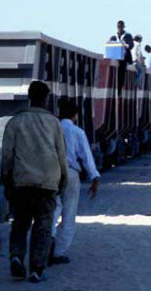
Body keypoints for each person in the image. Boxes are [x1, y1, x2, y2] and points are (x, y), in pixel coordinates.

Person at [1, 81, 68, 283]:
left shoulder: (15, 121)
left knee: (20, 223)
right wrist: (63, 178)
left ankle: (16, 256)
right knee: (43, 225)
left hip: (22, 181)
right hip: (47, 181)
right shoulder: (54, 123)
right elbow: (61, 155)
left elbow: (7, 155)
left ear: (29, 97)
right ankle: (37, 269)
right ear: (46, 99)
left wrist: (6, 179)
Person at [50, 101, 100, 265]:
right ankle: (58, 252)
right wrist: (94, 178)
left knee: (52, 210)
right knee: (69, 214)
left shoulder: (51, 129)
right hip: (71, 174)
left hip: (51, 173)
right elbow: (86, 157)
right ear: (75, 115)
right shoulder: (77, 132)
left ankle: (46, 243)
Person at [109, 20, 134, 95]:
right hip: (115, 57)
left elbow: (131, 45)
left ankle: (119, 90)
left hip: (124, 57)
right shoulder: (114, 36)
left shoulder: (128, 35)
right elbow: (110, 44)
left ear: (123, 27)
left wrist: (125, 45)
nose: (120, 28)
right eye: (118, 27)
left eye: (121, 27)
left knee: (121, 74)